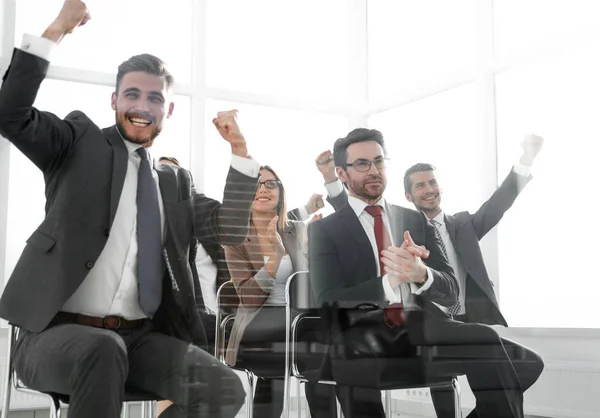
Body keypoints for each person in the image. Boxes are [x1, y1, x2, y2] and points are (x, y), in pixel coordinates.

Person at [0, 2, 257, 417]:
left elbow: (228, 228)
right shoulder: (77, 143)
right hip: (52, 336)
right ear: (114, 99)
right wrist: (56, 30)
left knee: (226, 389)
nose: (143, 105)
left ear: (168, 110)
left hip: (138, 340)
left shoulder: (175, 183)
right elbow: (10, 115)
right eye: (132, 94)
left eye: (155, 98)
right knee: (101, 349)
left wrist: (240, 152)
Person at [308, 128, 537, 418]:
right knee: (352, 355)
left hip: (423, 325)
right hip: (361, 330)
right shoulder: (324, 230)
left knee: (486, 338)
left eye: (379, 161)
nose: (374, 170)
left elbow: (450, 288)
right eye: (362, 164)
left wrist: (421, 273)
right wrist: (390, 281)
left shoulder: (414, 219)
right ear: (341, 173)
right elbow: (328, 302)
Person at [401, 135, 545, 417]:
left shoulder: (464, 225)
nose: (429, 189)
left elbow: (499, 204)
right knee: (448, 388)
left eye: (432, 182)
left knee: (530, 363)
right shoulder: (404, 230)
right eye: (420, 185)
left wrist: (526, 159)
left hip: (468, 323)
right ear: (409, 196)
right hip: (430, 328)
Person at [223, 165, 336, 418]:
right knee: (294, 349)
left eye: (270, 184)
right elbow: (249, 298)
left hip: (299, 322)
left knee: (321, 352)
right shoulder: (235, 239)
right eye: (256, 184)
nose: (263, 189)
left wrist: (311, 254)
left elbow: (313, 289)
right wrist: (274, 259)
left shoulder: (297, 230)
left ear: (281, 193)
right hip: (257, 325)